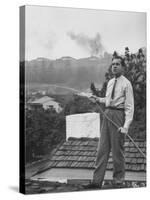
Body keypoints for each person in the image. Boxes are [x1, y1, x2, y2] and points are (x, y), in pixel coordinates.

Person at [90, 56, 134, 188]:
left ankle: (118, 182)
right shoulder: (110, 82)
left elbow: (129, 107)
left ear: (123, 67)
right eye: (113, 64)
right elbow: (108, 100)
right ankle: (96, 182)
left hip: (118, 115)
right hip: (107, 114)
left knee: (117, 151)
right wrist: (97, 99)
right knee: (102, 150)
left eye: (118, 64)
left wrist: (125, 126)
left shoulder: (126, 83)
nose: (114, 66)